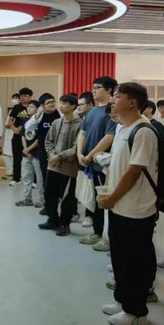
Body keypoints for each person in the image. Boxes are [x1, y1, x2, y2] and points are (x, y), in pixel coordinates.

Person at [98, 83, 158, 325]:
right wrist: (108, 194)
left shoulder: (144, 131)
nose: (113, 100)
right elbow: (117, 164)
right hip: (119, 207)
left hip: (136, 209)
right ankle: (123, 302)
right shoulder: (123, 128)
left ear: (132, 102)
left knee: (134, 263)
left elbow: (134, 171)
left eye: (118, 96)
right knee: (120, 259)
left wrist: (112, 198)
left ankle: (136, 313)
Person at [77, 76, 118, 250]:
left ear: (109, 90)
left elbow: (109, 137)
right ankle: (97, 231)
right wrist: (80, 153)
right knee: (94, 199)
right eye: (93, 87)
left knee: (104, 200)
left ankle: (105, 236)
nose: (93, 90)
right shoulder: (93, 111)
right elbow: (83, 132)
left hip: (103, 164)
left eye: (97, 87)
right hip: (89, 162)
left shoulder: (112, 111)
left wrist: (90, 155)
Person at [38, 94, 82, 236]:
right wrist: (52, 154)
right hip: (53, 165)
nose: (61, 106)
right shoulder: (57, 122)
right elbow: (48, 141)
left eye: (64, 103)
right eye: (60, 103)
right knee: (49, 194)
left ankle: (64, 224)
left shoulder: (80, 124)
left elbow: (77, 148)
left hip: (68, 168)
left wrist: (60, 156)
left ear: (73, 106)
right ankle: (52, 220)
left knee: (66, 198)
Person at [27, 93, 61, 214]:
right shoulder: (39, 116)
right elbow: (28, 128)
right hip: (43, 151)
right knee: (46, 179)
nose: (51, 104)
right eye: (48, 103)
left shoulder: (60, 115)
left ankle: (58, 204)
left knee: (58, 179)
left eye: (53, 102)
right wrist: (36, 116)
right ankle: (48, 205)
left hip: (58, 151)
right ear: (42, 105)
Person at [15, 100, 44, 207]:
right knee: (26, 177)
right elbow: (23, 135)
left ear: (38, 109)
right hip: (26, 153)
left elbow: (40, 139)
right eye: (28, 107)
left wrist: (29, 149)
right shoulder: (25, 121)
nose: (29, 108)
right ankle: (27, 198)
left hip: (37, 153)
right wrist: (25, 149)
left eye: (32, 107)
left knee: (40, 178)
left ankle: (41, 200)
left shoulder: (40, 121)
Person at [77, 91, 95, 226]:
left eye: (81, 105)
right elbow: (81, 136)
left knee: (93, 188)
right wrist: (79, 153)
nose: (79, 107)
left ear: (90, 105)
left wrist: (88, 156)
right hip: (83, 156)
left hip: (93, 158)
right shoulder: (82, 119)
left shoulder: (98, 116)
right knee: (84, 187)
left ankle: (90, 216)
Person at [8, 87, 33, 186]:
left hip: (29, 136)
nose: (22, 98)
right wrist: (14, 128)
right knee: (17, 157)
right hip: (17, 135)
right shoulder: (16, 107)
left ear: (30, 97)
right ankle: (16, 178)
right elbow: (10, 120)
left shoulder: (32, 107)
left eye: (25, 96)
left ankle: (33, 180)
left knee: (31, 158)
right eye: (21, 96)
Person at [2, 93, 20, 179]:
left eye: (16, 98)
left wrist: (12, 126)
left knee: (14, 153)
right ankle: (9, 171)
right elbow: (7, 123)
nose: (14, 100)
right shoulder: (11, 111)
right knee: (6, 153)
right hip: (8, 133)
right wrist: (7, 125)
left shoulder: (22, 111)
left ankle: (15, 172)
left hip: (15, 133)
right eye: (13, 98)